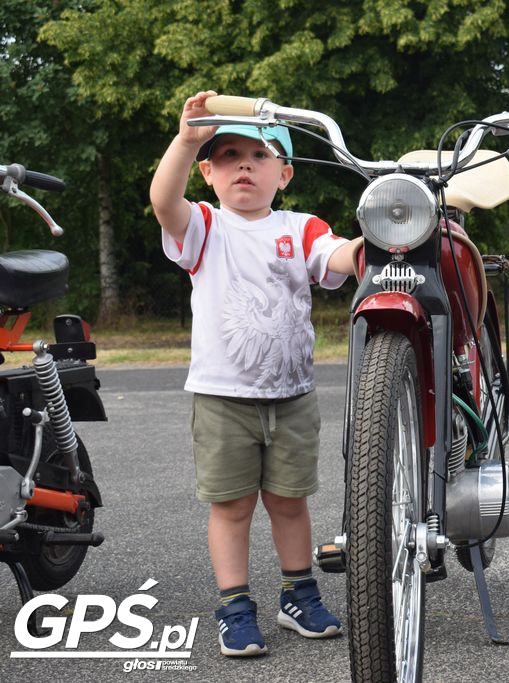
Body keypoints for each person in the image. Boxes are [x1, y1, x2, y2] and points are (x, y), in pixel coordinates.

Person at [150, 90, 359, 657]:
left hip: (292, 397)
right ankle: (235, 606)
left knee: (291, 502)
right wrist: (185, 138)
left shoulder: (301, 226)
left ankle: (298, 594)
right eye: (227, 156)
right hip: (222, 398)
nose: (243, 164)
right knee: (232, 506)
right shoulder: (204, 227)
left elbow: (337, 256)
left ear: (284, 172)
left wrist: (370, 247)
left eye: (259, 154)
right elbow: (163, 201)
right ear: (208, 174)